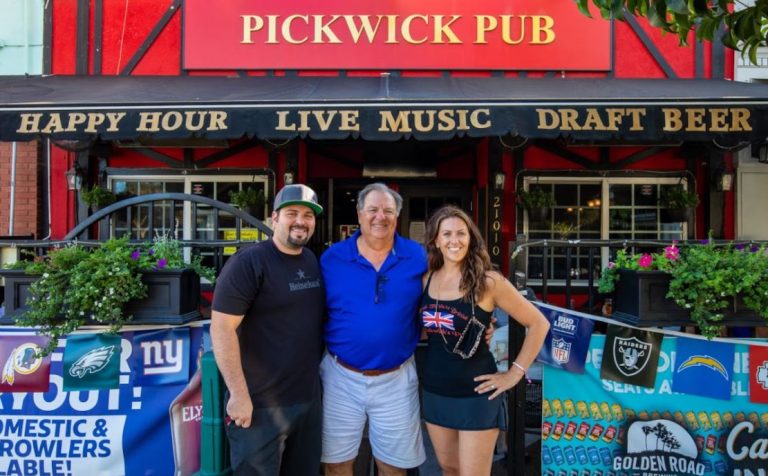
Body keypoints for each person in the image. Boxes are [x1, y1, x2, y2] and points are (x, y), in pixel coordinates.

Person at [419, 205, 550, 476]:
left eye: (461, 233)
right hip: (435, 389)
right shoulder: (426, 279)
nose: (454, 240)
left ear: (471, 238)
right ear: (435, 240)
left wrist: (515, 374)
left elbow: (538, 323)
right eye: (446, 234)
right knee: (449, 468)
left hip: (476, 392)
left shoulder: (488, 281)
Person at [210, 184, 325, 476]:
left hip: (307, 402)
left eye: (308, 215)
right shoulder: (249, 263)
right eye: (292, 213)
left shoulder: (311, 261)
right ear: (274, 218)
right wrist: (238, 395)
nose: (301, 221)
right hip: (259, 406)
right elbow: (222, 328)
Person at [319, 183, 427, 476]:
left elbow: (443, 296)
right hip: (341, 376)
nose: (381, 216)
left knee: (393, 466)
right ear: (359, 214)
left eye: (388, 211)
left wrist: (479, 322)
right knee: (336, 462)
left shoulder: (418, 257)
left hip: (397, 378)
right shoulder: (332, 259)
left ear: (397, 216)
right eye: (373, 210)